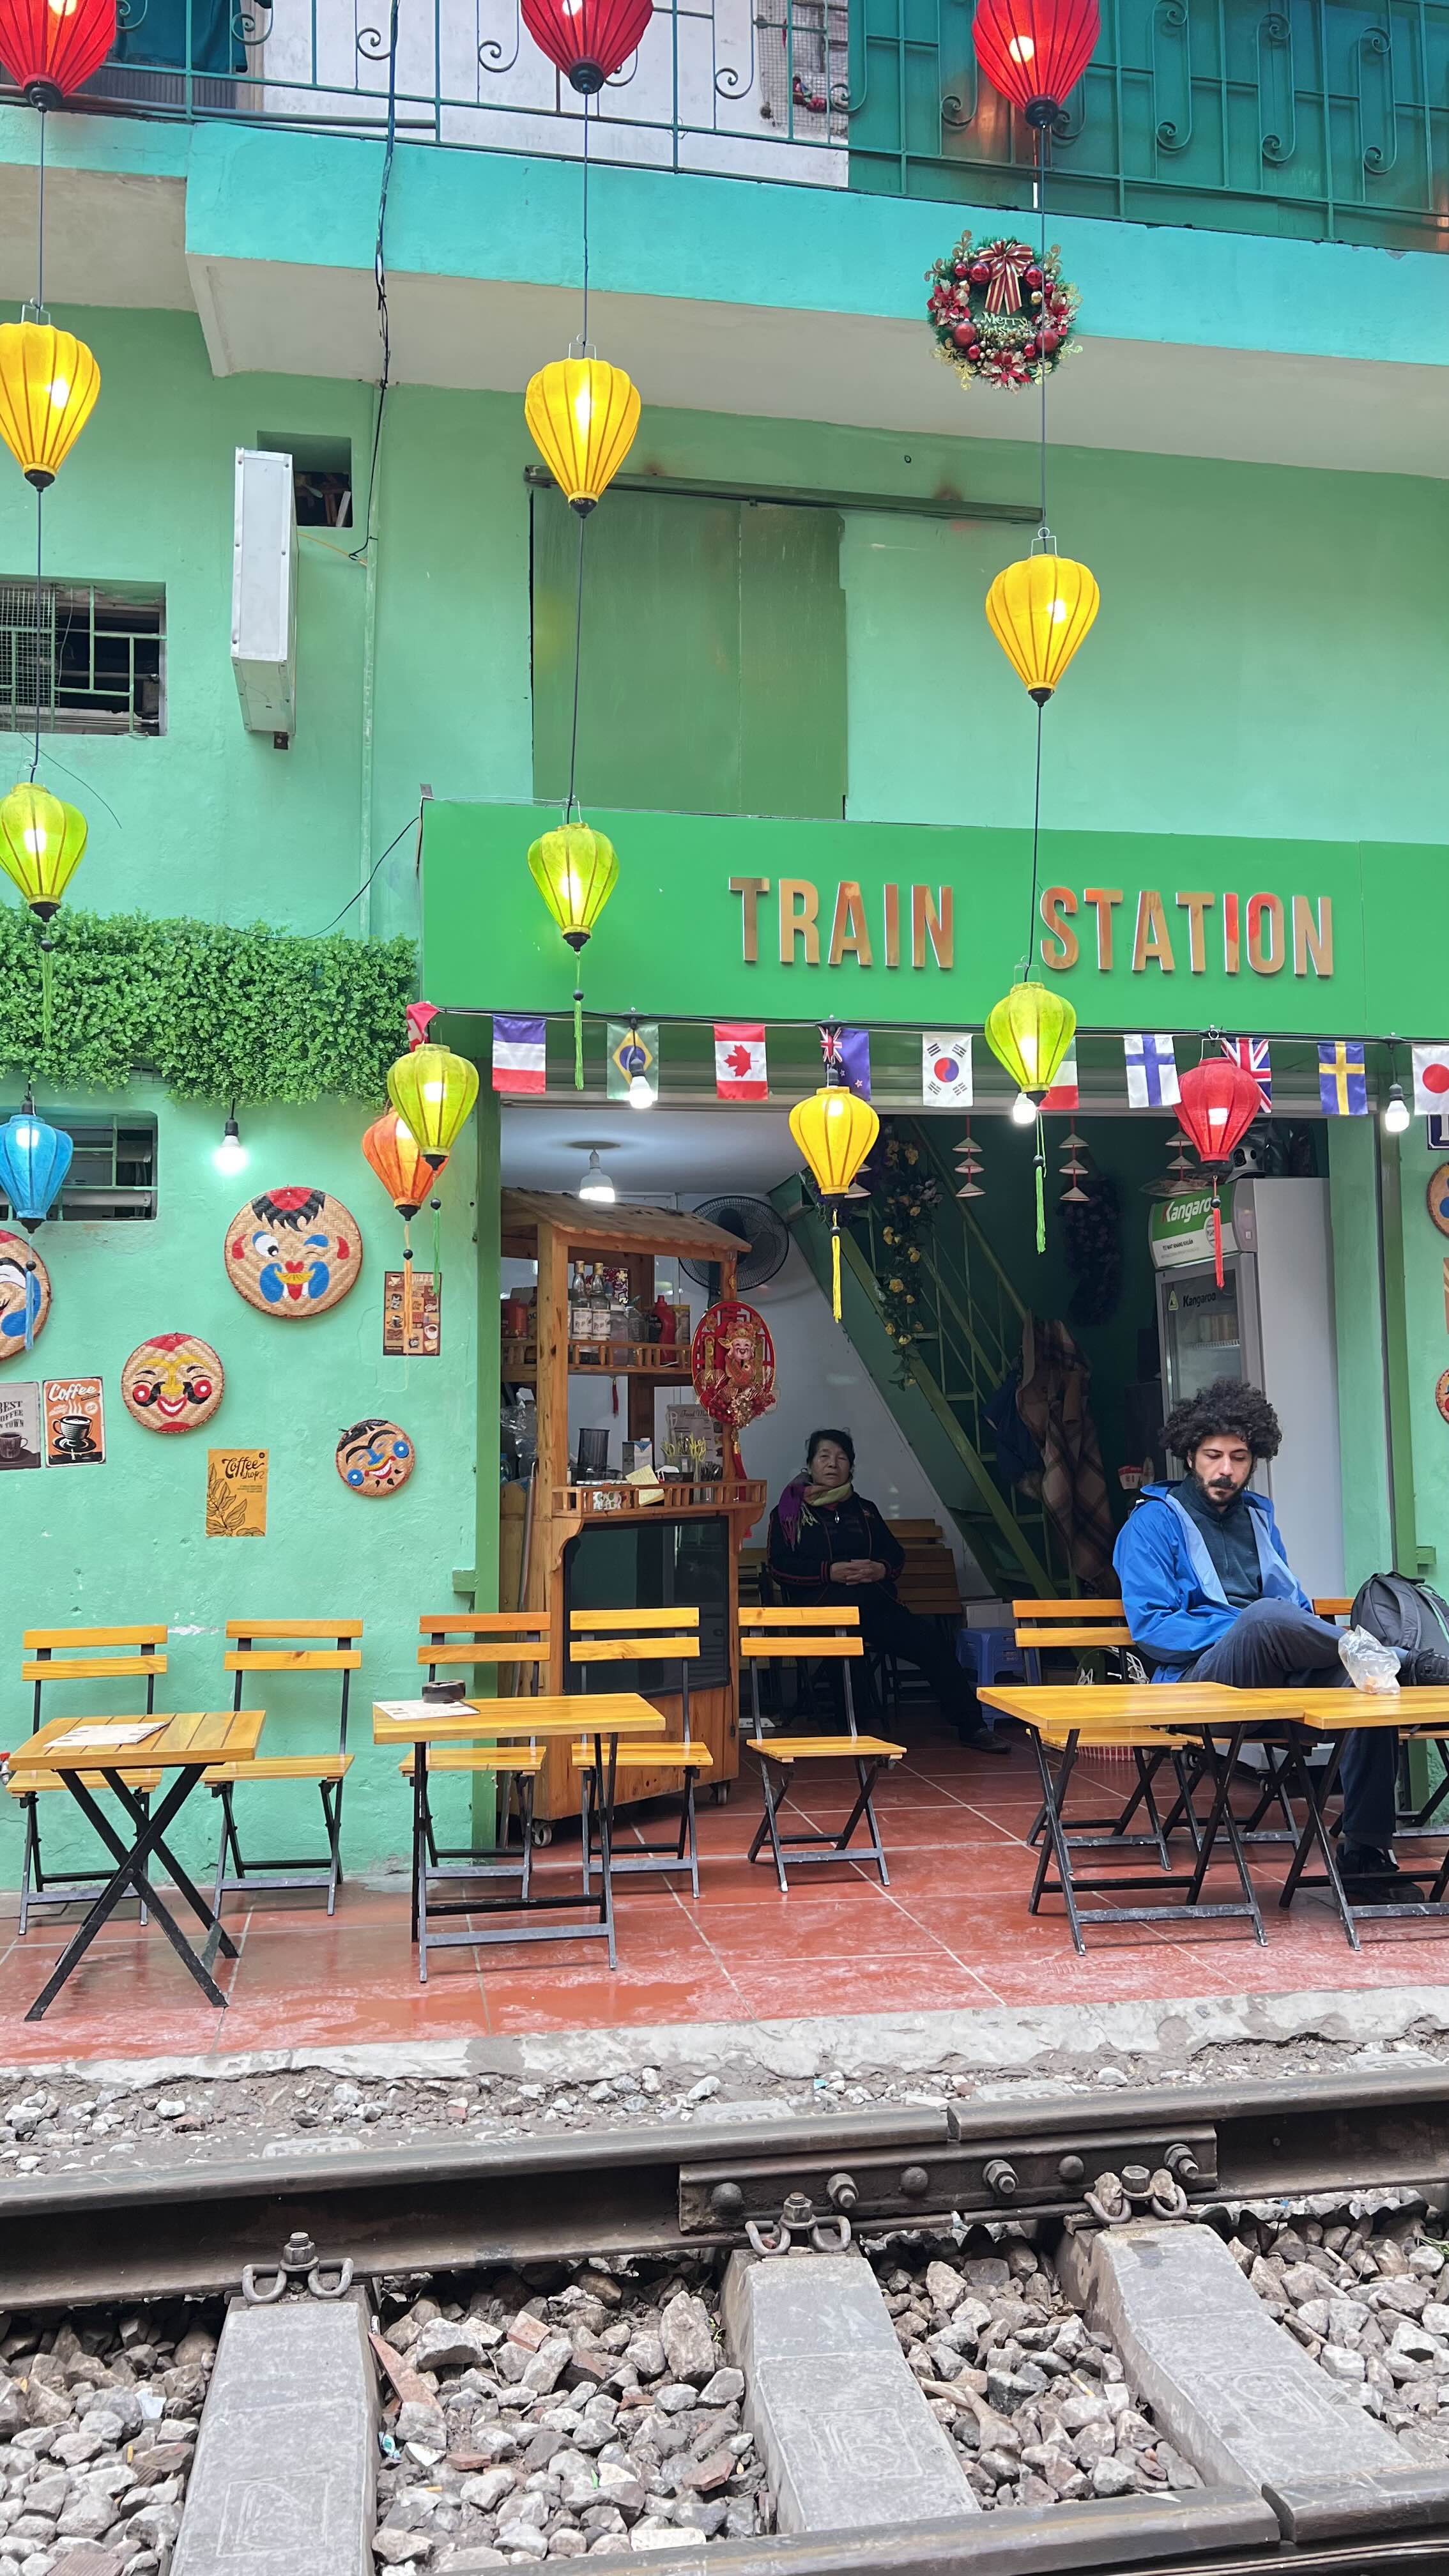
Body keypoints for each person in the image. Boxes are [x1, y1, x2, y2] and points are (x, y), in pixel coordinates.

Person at [1114, 1377, 1446, 1904]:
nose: (1226, 1470)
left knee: (1370, 1691)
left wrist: (1283, 1631)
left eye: (1239, 1457)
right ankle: (1403, 1659)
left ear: (1255, 1460)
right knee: (1264, 1617)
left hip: (1279, 1683)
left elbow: (1294, 1611)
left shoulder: (1258, 1518)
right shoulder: (1151, 1524)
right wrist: (1248, 1627)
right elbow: (1155, 1629)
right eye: (1214, 1456)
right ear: (1190, 1455)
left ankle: (1365, 1853)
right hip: (1202, 1684)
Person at [765, 1428, 1006, 1753]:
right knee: (845, 1642)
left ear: (851, 1467)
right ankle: (853, 1731)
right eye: (824, 1456)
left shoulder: (865, 1510)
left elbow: (894, 1555)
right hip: (822, 1609)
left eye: (841, 1458)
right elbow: (779, 1566)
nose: (833, 1463)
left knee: (931, 1641)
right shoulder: (790, 1512)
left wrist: (880, 1569)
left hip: (874, 1606)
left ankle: (972, 1726)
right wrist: (828, 1572)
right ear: (810, 1464)